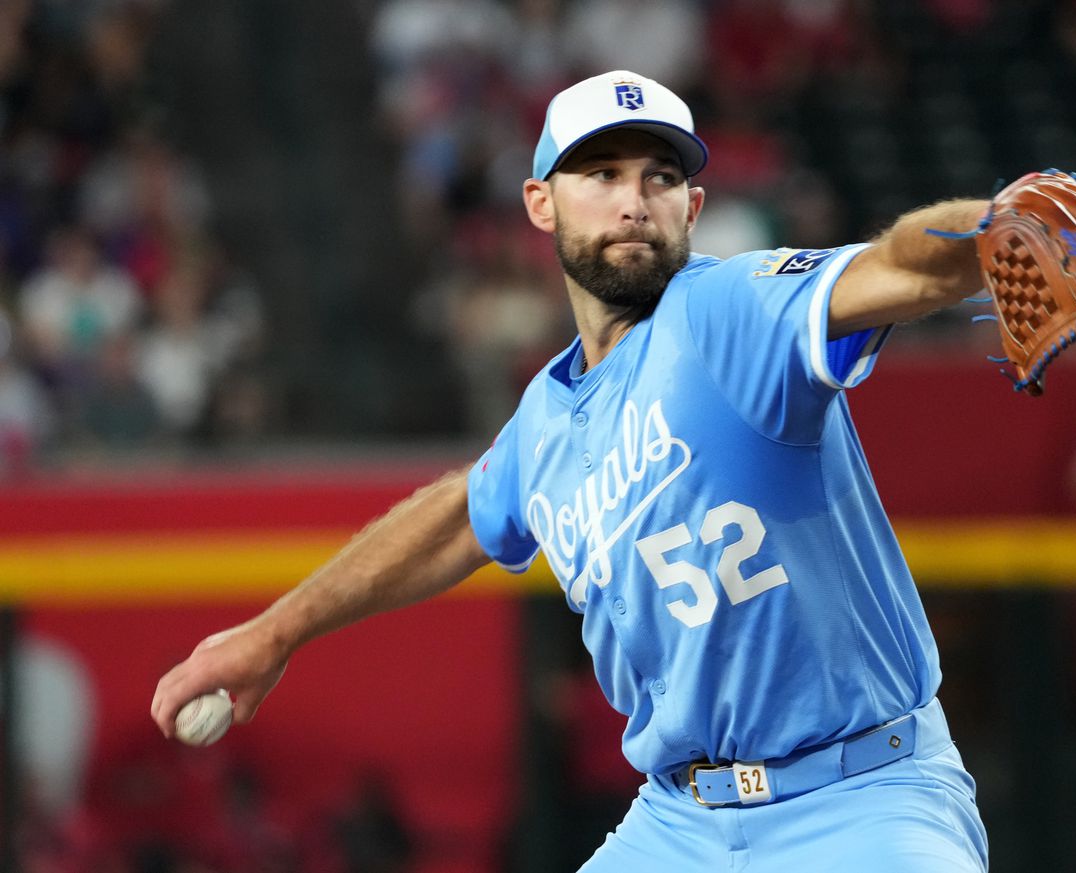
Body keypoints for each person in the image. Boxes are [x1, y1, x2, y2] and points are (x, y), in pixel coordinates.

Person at [152, 71, 992, 871]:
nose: (634, 199)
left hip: (860, 795)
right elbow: (457, 515)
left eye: (661, 177)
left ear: (693, 207)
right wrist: (273, 633)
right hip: (682, 820)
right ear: (540, 202)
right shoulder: (546, 422)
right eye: (601, 173)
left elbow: (900, 266)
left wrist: (996, 225)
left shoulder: (729, 311)